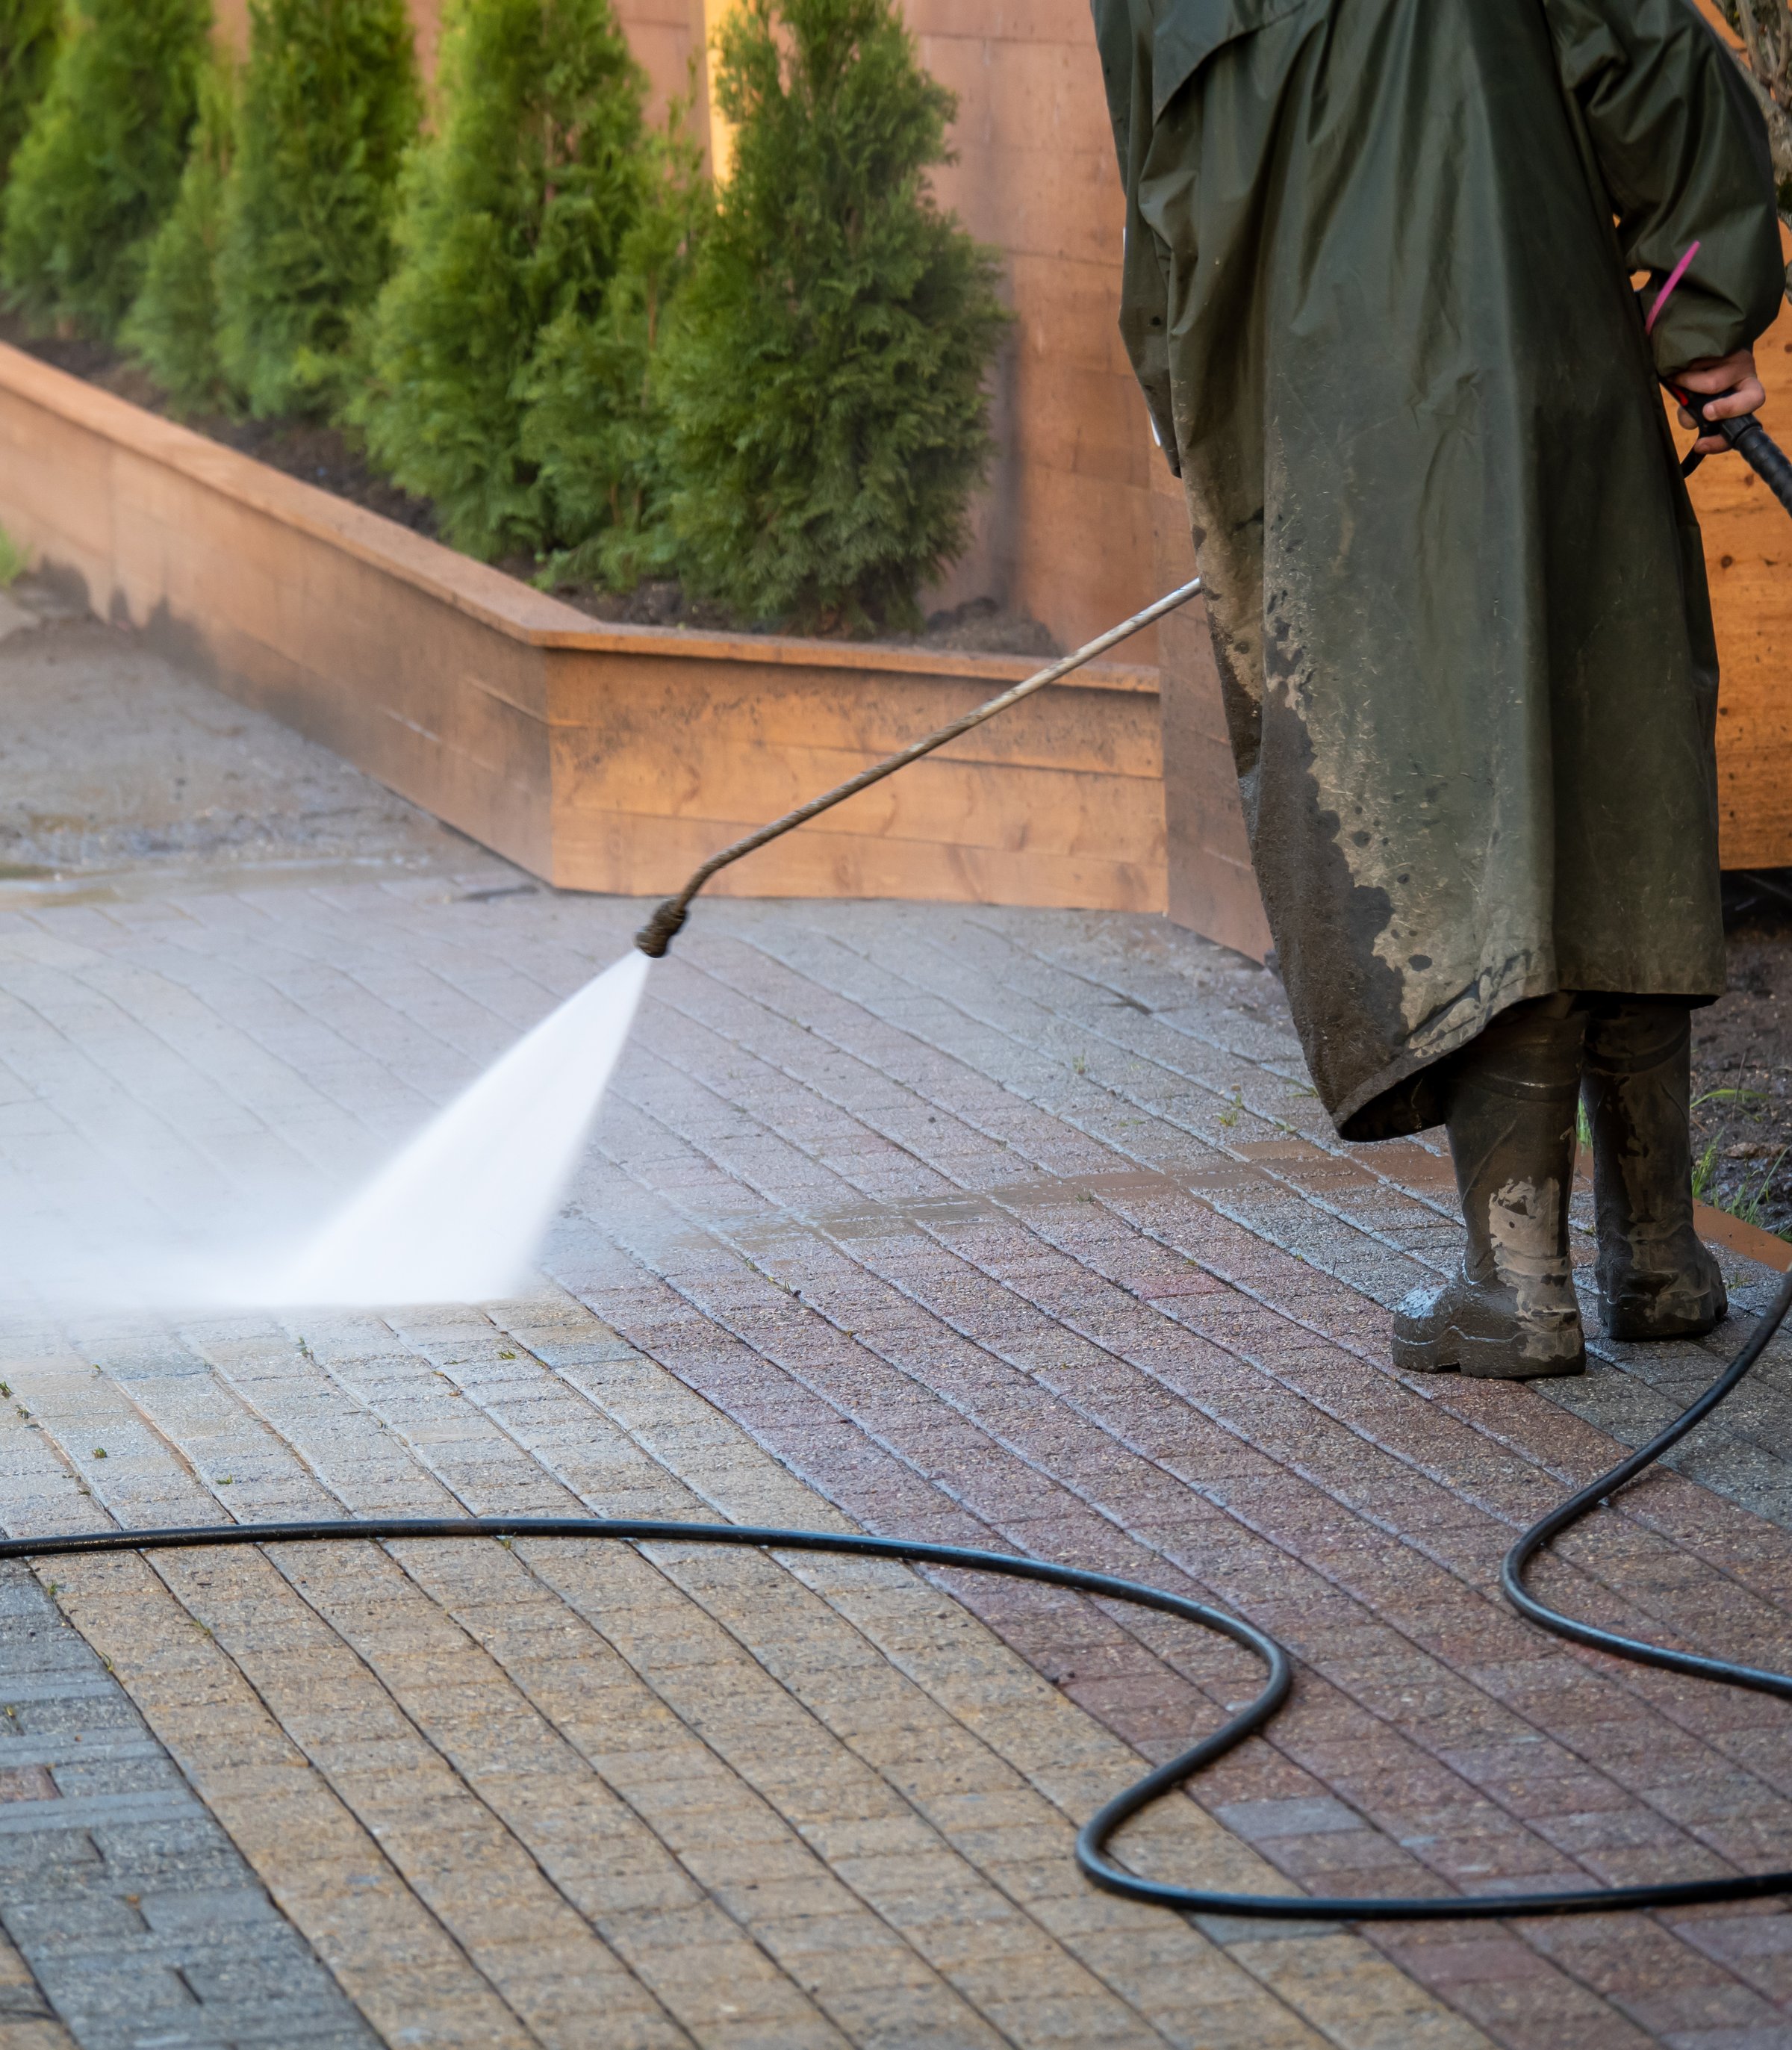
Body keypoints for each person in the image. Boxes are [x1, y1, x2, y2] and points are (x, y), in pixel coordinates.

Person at [1092, 0, 1786, 1379]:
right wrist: (1702, 303)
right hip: (1548, 362)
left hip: (1338, 430)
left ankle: (1517, 1281)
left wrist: (1201, 418)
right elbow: (1645, 47)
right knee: (1613, 750)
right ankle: (1657, 1251)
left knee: (1453, 807)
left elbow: (1158, 204)